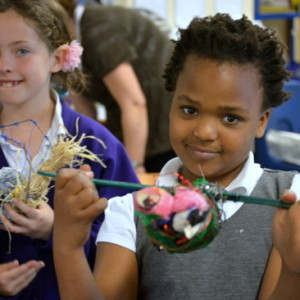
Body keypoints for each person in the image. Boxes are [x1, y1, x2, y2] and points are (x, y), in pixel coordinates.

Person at [53, 13, 300, 300]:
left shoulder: (288, 200)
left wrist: (294, 272)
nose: (205, 132)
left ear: (261, 122)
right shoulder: (127, 212)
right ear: (171, 106)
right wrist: (68, 247)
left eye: (230, 118)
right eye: (190, 110)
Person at [0, 1, 139, 299]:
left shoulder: (98, 145)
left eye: (21, 50)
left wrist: (61, 231)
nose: (3, 64)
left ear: (58, 57)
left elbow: (131, 243)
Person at [58, 0, 176, 174]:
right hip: (136, 129)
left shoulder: (98, 30)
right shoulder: (67, 47)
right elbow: (85, 113)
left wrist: (134, 167)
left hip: (162, 127)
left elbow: (134, 103)